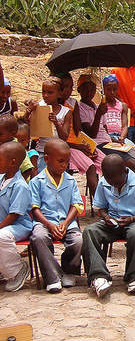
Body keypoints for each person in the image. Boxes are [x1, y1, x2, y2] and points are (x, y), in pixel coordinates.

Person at [82, 155, 135, 297]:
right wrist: (106, 217)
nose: (114, 185)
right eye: (111, 181)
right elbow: (100, 208)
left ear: (125, 171)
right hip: (113, 223)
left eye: (117, 181)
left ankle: (134, 277)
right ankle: (99, 276)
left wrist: (132, 218)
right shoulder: (104, 183)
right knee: (90, 231)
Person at [30, 139, 83, 293]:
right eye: (60, 161)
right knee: (38, 237)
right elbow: (35, 209)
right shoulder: (36, 182)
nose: (64, 165)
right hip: (44, 222)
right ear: (46, 159)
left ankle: (69, 270)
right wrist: (49, 224)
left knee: (78, 240)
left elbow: (76, 205)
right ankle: (52, 277)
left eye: (67, 161)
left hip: (67, 222)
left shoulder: (71, 181)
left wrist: (65, 223)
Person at [78, 74, 135, 172]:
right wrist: (98, 115)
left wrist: (115, 139)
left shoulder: (98, 106)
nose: (89, 93)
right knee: (132, 163)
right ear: (79, 90)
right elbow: (91, 134)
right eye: (85, 90)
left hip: (110, 142)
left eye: (92, 90)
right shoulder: (80, 108)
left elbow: (105, 128)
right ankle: (128, 185)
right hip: (98, 144)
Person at [58, 73, 103, 199]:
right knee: (91, 167)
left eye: (70, 87)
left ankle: (111, 200)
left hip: (77, 143)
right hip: (66, 147)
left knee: (106, 162)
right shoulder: (53, 107)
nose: (67, 91)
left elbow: (79, 131)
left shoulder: (73, 103)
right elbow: (59, 140)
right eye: (64, 87)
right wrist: (79, 147)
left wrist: (88, 146)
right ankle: (99, 204)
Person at [0, 141, 32, 292]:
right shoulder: (2, 179)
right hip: (4, 223)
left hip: (19, 225)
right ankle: (3, 270)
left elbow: (14, 215)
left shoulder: (20, 185)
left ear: (12, 162)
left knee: (1, 236)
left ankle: (17, 270)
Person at [25, 77, 72, 173]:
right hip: (42, 151)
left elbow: (64, 137)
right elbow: (26, 128)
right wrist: (29, 110)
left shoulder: (66, 112)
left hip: (58, 153)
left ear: (59, 94)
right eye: (43, 92)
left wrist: (56, 123)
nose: (46, 95)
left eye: (50, 92)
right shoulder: (39, 107)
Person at [0, 114, 33, 181]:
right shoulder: (2, 143)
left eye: (0, 134)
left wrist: (13, 184)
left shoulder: (17, 148)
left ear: (13, 133)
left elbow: (28, 169)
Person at [103, 74, 131, 144]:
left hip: (119, 136)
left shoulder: (122, 105)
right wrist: (109, 138)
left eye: (114, 89)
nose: (112, 92)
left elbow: (125, 126)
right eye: (109, 89)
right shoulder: (100, 106)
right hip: (106, 137)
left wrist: (122, 137)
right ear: (104, 89)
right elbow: (102, 126)